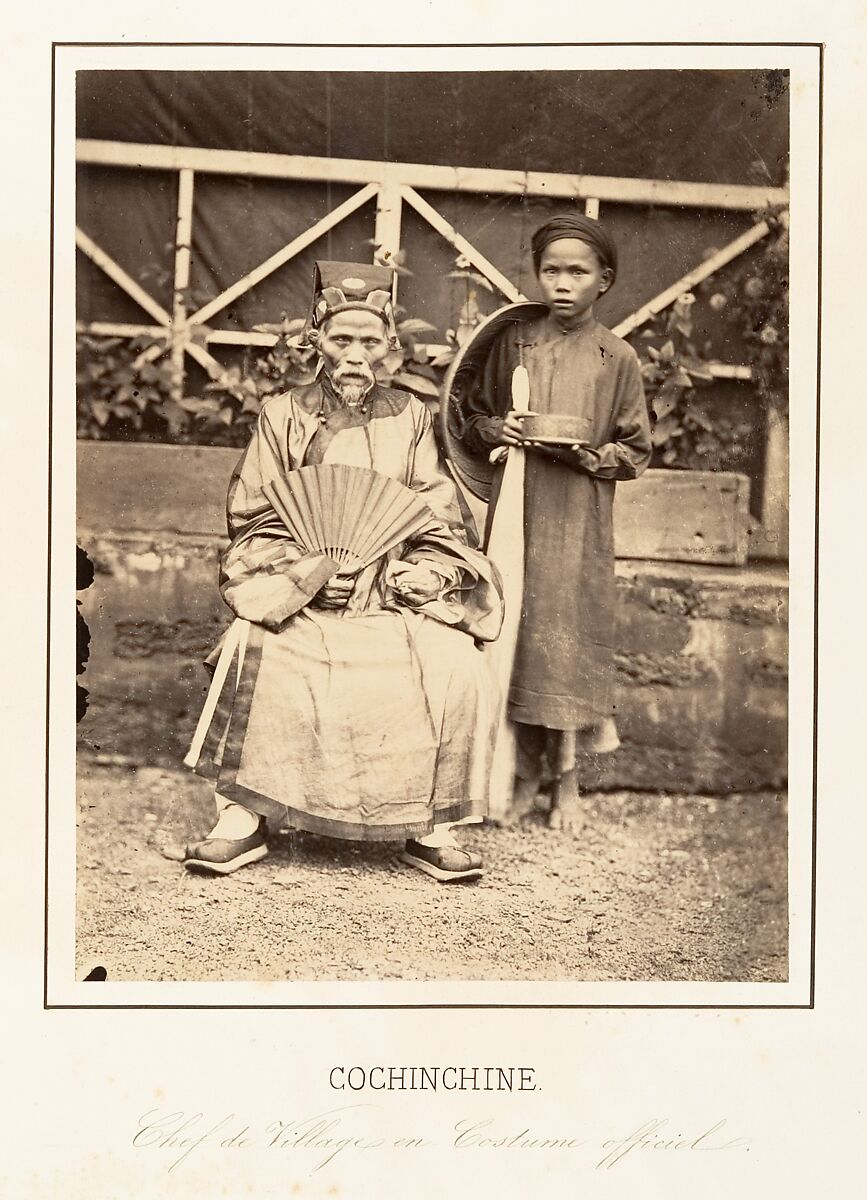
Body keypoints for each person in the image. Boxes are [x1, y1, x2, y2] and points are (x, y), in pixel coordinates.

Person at [184, 261, 503, 880]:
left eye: (368, 341)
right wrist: (306, 574)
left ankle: (433, 829)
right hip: (301, 598)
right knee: (251, 645)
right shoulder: (281, 416)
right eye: (340, 339)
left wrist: (420, 577)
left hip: (390, 599)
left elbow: (440, 521)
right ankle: (241, 821)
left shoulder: (414, 418)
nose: (354, 355)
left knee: (455, 663)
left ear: (389, 346)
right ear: (316, 340)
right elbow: (253, 518)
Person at [459, 214, 652, 830]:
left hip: (577, 512)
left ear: (605, 280)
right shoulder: (516, 342)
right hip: (518, 504)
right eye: (551, 270)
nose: (563, 283)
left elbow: (636, 449)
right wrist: (502, 428)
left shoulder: (615, 356)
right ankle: (518, 774)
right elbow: (474, 416)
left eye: (578, 271)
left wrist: (587, 452)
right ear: (537, 275)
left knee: (565, 636)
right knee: (515, 623)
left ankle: (566, 779)